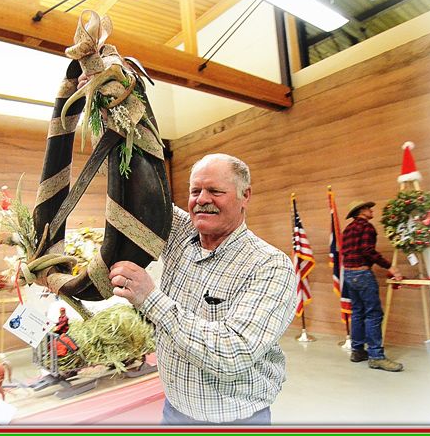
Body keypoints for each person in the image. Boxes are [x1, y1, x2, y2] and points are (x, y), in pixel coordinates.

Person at [109, 154, 297, 425]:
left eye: (215, 191)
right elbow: (144, 194)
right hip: (174, 413)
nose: (202, 199)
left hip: (235, 422)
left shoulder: (268, 265)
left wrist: (151, 299)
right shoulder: (183, 234)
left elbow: (233, 352)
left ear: (246, 196)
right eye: (195, 191)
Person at [342, 200, 404, 372]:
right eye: (369, 208)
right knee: (373, 314)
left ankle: (357, 351)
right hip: (362, 274)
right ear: (361, 211)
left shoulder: (347, 229)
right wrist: (389, 266)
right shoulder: (367, 227)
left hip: (348, 273)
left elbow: (346, 252)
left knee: (357, 312)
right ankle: (376, 356)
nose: (372, 211)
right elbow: (368, 251)